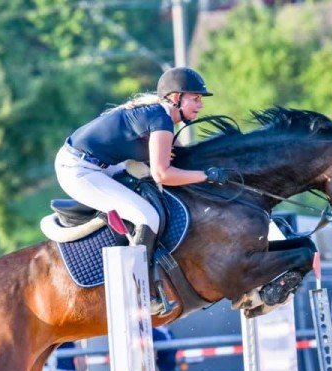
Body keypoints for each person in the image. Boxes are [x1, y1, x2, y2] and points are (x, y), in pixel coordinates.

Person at [54, 67, 226, 309]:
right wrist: (206, 176)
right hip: (79, 170)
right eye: (195, 98)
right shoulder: (161, 118)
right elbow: (162, 174)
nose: (200, 104)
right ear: (176, 98)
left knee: (147, 196)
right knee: (147, 216)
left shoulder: (160, 116)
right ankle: (137, 290)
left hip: (102, 164)